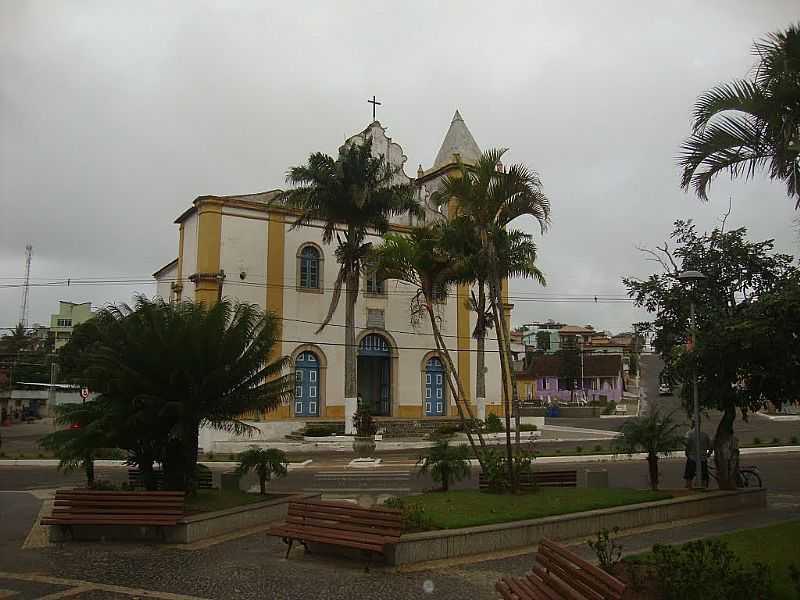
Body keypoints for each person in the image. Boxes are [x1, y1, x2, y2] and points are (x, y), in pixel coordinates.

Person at [684, 422, 712, 488]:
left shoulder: (689, 434)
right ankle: (704, 488)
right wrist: (708, 454)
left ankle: (689, 488)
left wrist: (687, 453)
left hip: (692, 457)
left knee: (689, 476)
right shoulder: (705, 435)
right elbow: (710, 446)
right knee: (704, 476)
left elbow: (686, 445)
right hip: (703, 458)